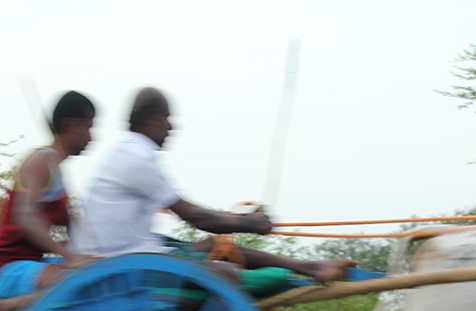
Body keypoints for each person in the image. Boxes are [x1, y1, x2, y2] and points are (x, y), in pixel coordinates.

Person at [70, 86, 355, 281]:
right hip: (119, 264)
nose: (171, 127)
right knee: (225, 276)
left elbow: (202, 219)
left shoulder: (132, 152)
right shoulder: (137, 158)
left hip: (126, 254)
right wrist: (249, 224)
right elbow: (197, 217)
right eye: (165, 118)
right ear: (148, 118)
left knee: (216, 246)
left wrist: (243, 221)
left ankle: (311, 267)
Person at [0, 90, 97, 311]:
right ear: (70, 125)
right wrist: (69, 256)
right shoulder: (40, 161)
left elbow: (71, 227)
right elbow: (26, 219)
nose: (92, 137)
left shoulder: (57, 172)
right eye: (88, 127)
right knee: (74, 283)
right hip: (10, 267)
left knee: (96, 275)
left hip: (33, 265)